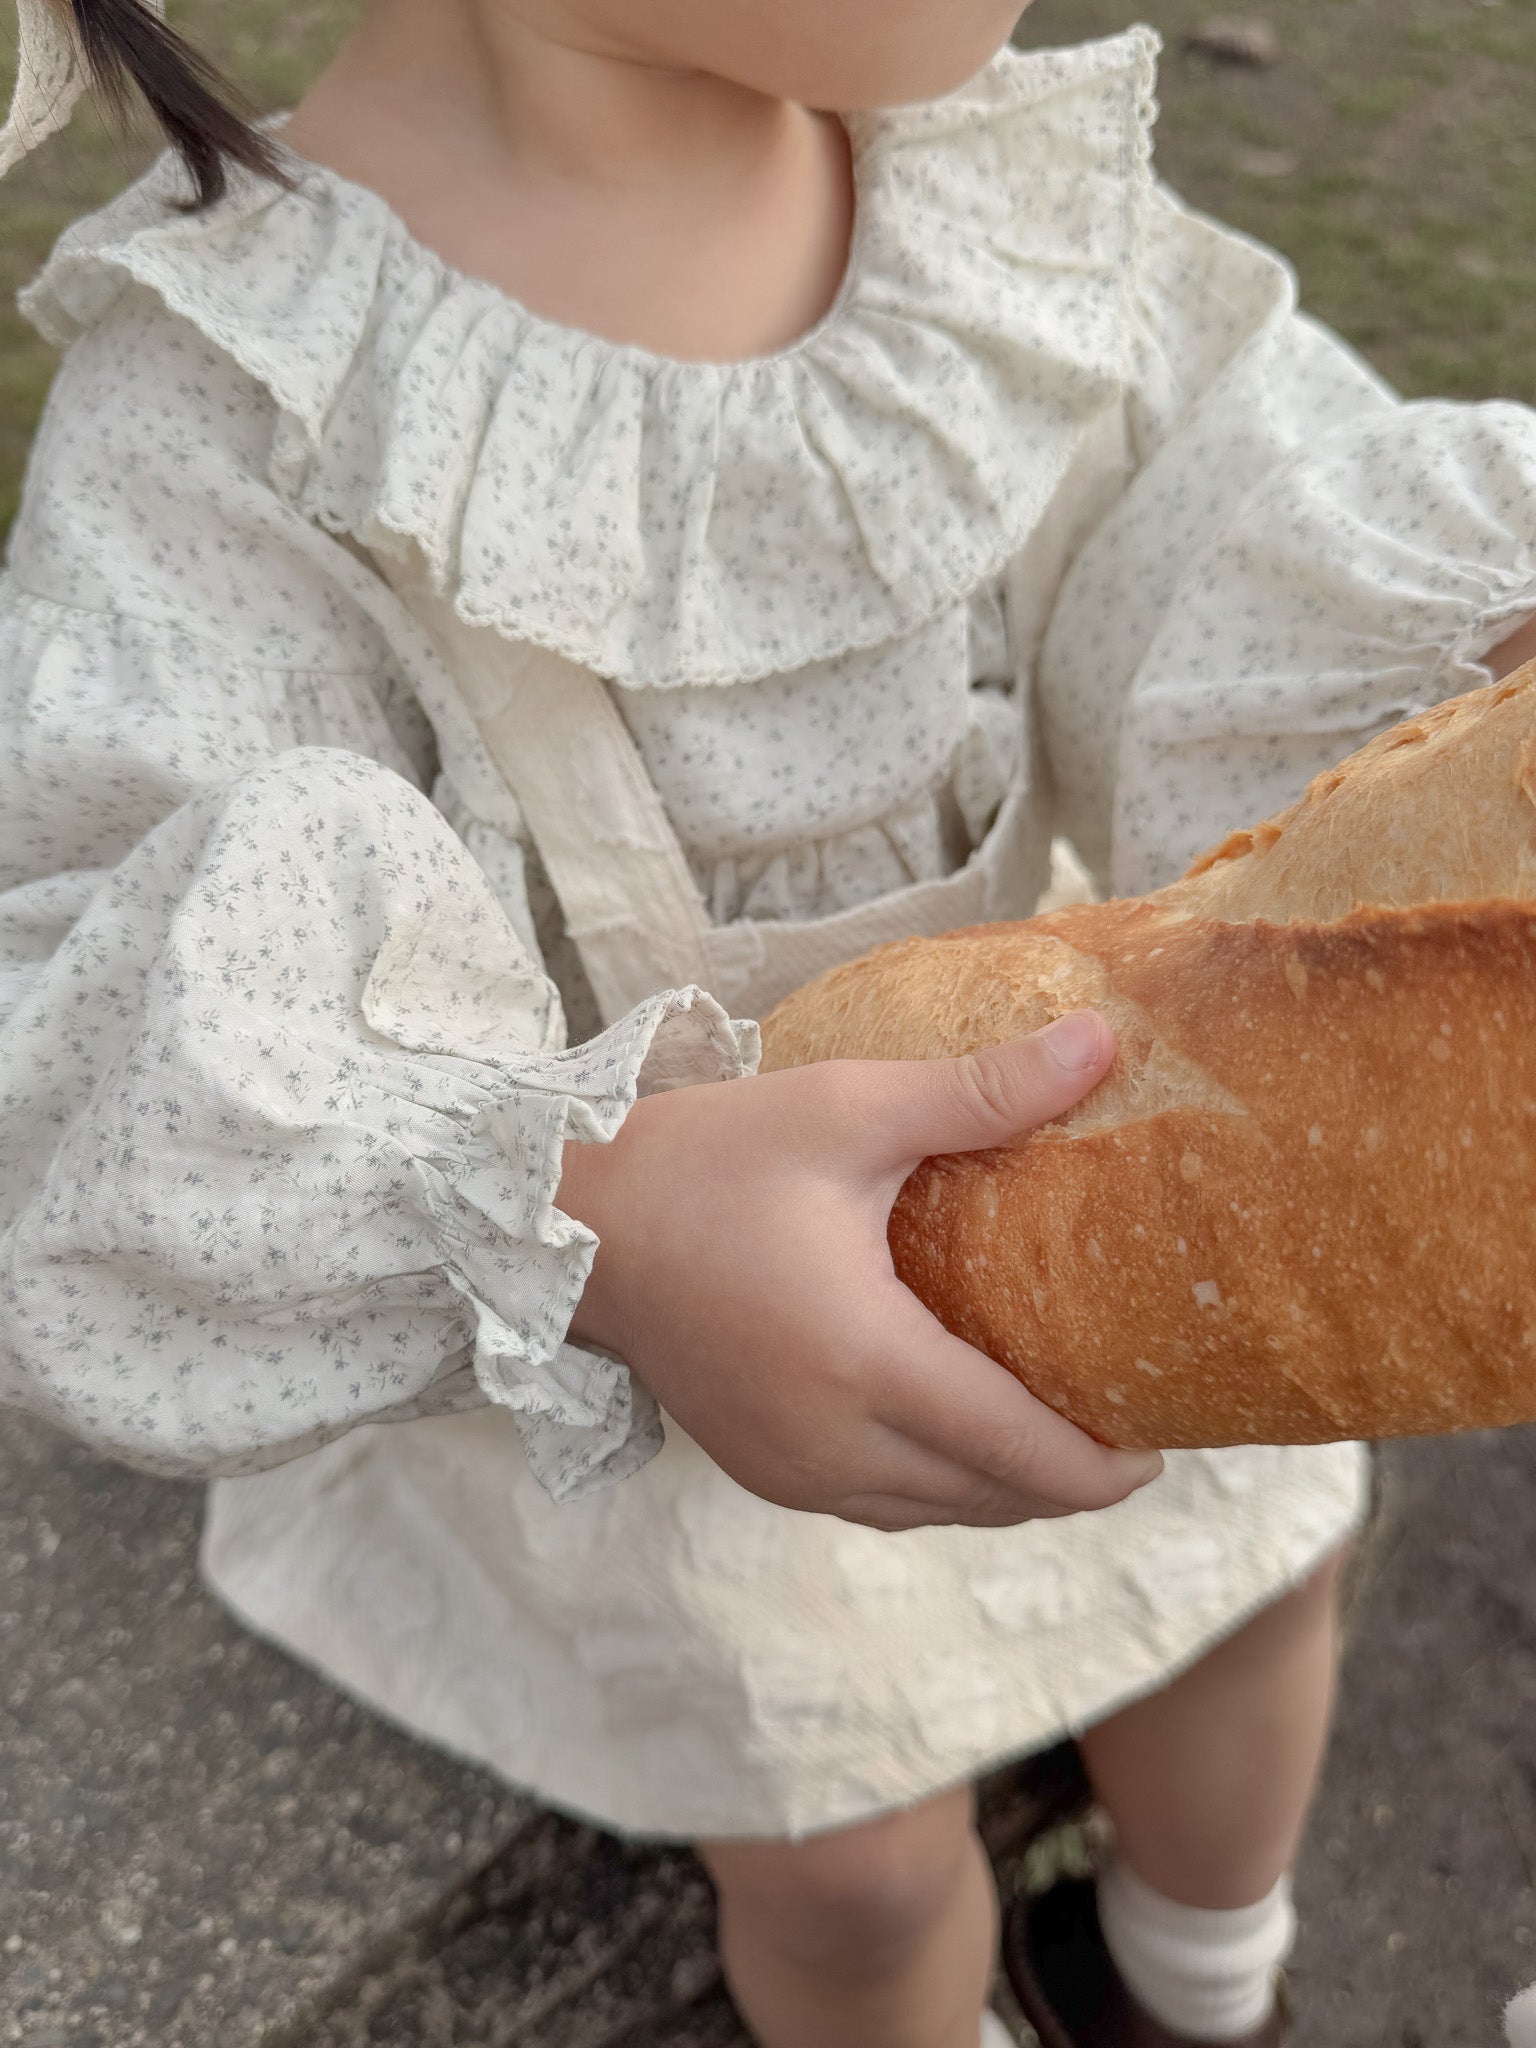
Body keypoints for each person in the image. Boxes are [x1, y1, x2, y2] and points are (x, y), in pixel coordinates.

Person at [2, 0, 1535, 2041]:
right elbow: (100, 1034)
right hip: (646, 1378)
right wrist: (578, 1202)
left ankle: (1199, 1980)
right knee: (850, 1847)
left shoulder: (991, 202)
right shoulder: (240, 399)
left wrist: (1475, 650)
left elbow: (1211, 555)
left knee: (1256, 1590)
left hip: (1074, 1184)